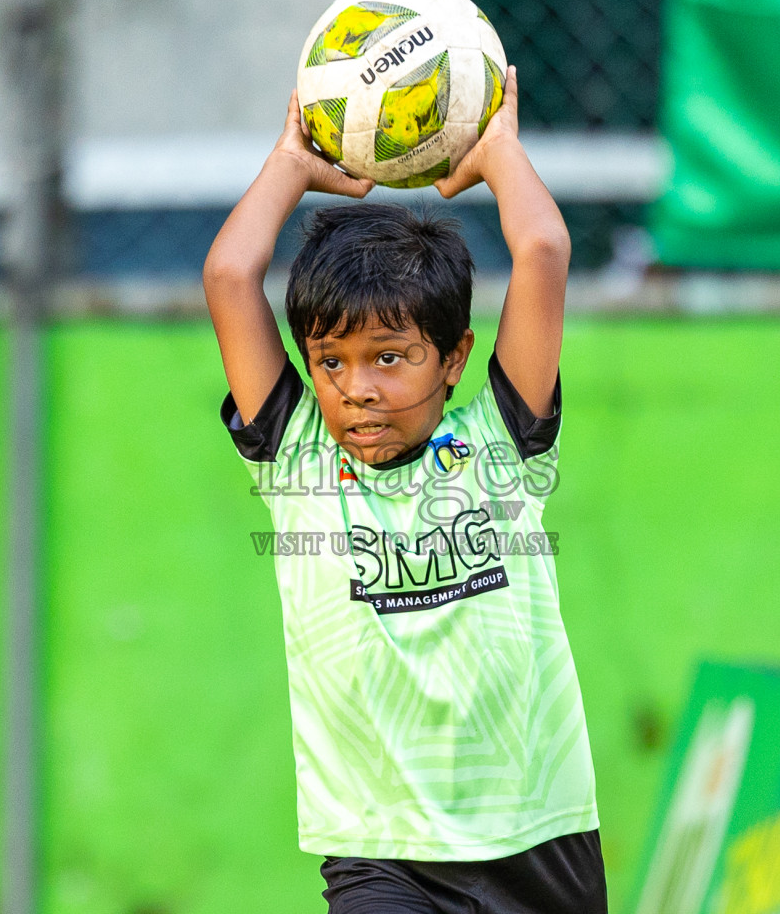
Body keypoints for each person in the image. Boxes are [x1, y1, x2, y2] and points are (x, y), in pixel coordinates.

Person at [203, 67, 605, 914]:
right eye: (332, 362)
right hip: (382, 855)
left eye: (389, 357)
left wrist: (497, 151)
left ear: (452, 359)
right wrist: (292, 161)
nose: (358, 388)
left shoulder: (504, 440)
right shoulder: (296, 457)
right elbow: (231, 278)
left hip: (539, 836)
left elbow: (544, 252)